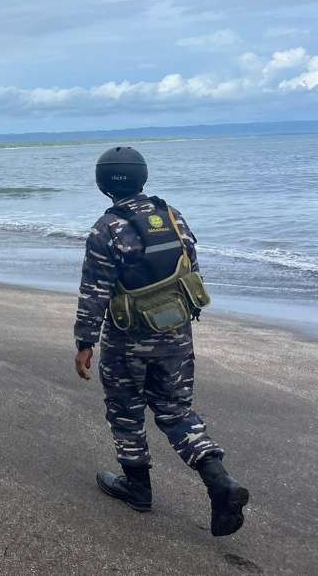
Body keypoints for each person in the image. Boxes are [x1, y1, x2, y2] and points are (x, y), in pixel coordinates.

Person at [74, 146, 249, 537]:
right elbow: (192, 273)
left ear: (103, 183)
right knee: (176, 411)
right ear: (142, 177)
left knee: (125, 411)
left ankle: (137, 487)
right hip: (176, 335)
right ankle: (219, 481)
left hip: (127, 341)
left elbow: (95, 292)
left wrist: (85, 342)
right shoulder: (172, 216)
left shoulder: (107, 228)